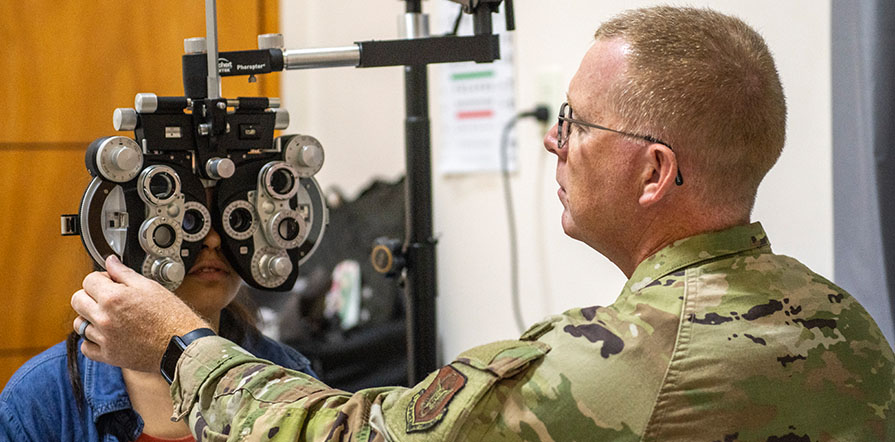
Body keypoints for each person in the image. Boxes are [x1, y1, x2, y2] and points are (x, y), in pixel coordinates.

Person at [66, 6, 894, 441]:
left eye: (575, 123)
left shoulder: (619, 363)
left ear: (654, 172)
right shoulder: (846, 324)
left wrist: (180, 346)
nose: (550, 140)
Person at [0, 187, 316, 442]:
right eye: (187, 222)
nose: (213, 240)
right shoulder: (42, 398)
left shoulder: (290, 374)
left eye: (234, 222)